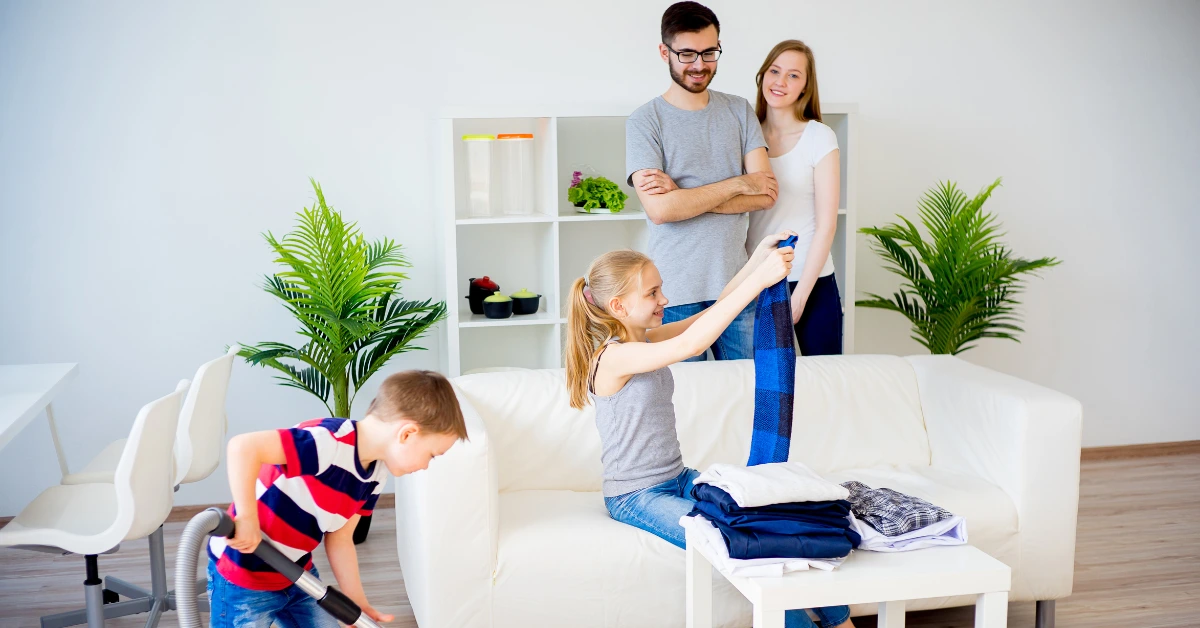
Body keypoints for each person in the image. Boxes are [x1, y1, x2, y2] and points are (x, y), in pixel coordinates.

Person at [564, 234, 854, 628]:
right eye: (653, 293)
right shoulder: (615, 357)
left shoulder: (644, 339)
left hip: (678, 478)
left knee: (766, 517)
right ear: (619, 306)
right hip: (636, 495)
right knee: (741, 544)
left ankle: (839, 620)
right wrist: (759, 281)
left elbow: (712, 317)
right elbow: (693, 343)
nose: (664, 299)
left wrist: (756, 263)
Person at [207, 370, 468, 627]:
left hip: (296, 575)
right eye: (432, 455)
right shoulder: (328, 443)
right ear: (407, 434)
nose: (426, 465)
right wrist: (247, 518)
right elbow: (243, 447)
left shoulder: (376, 475)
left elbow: (341, 539)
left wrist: (356, 603)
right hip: (243, 574)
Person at [626, 1, 778, 362]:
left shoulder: (739, 109)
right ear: (665, 52)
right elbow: (661, 210)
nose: (699, 64)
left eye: (709, 52)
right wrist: (738, 183)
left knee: (746, 394)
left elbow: (766, 192)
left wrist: (684, 195)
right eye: (687, 53)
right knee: (685, 403)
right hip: (671, 294)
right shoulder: (644, 122)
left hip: (738, 287)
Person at [746, 40, 844, 355]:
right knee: (764, 388)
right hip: (758, 281)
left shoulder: (819, 137)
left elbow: (827, 224)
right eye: (775, 71)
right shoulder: (746, 137)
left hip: (811, 282)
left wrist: (801, 295)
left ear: (805, 87)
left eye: (793, 76)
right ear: (762, 76)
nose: (781, 82)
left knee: (826, 381)